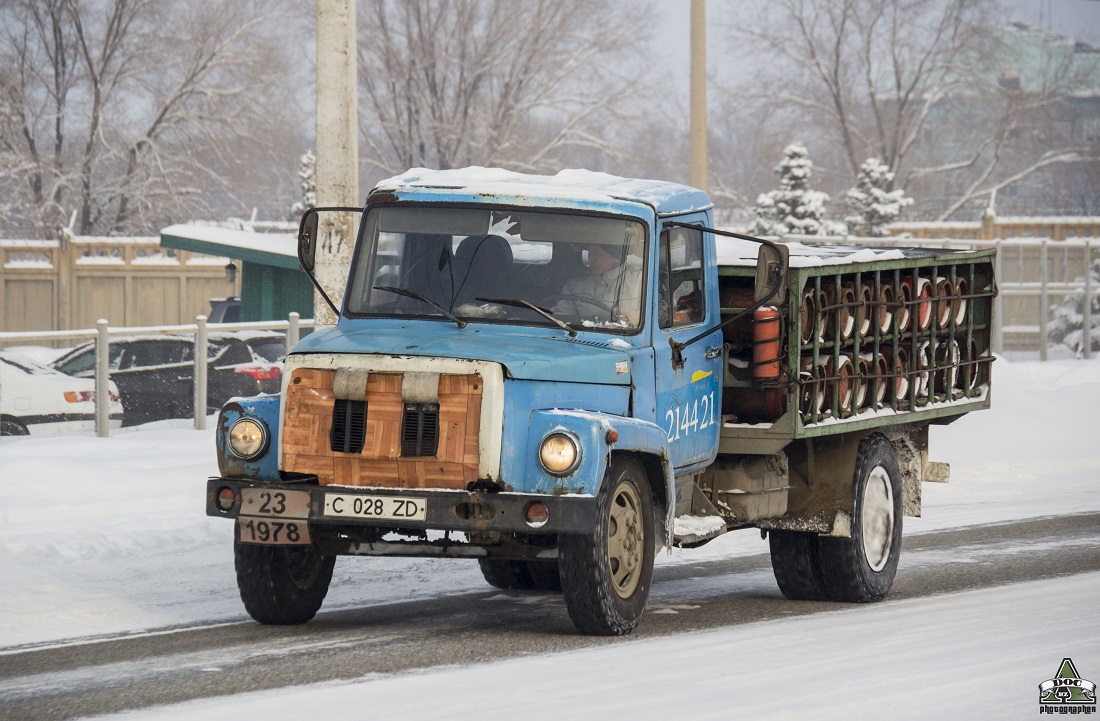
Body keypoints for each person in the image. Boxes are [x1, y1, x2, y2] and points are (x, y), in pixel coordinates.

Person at [553, 242, 643, 327]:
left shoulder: (639, 281)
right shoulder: (574, 286)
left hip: (625, 339)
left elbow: (650, 316)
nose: (591, 259)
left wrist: (630, 318)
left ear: (615, 257)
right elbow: (562, 319)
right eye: (590, 253)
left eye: (597, 253)